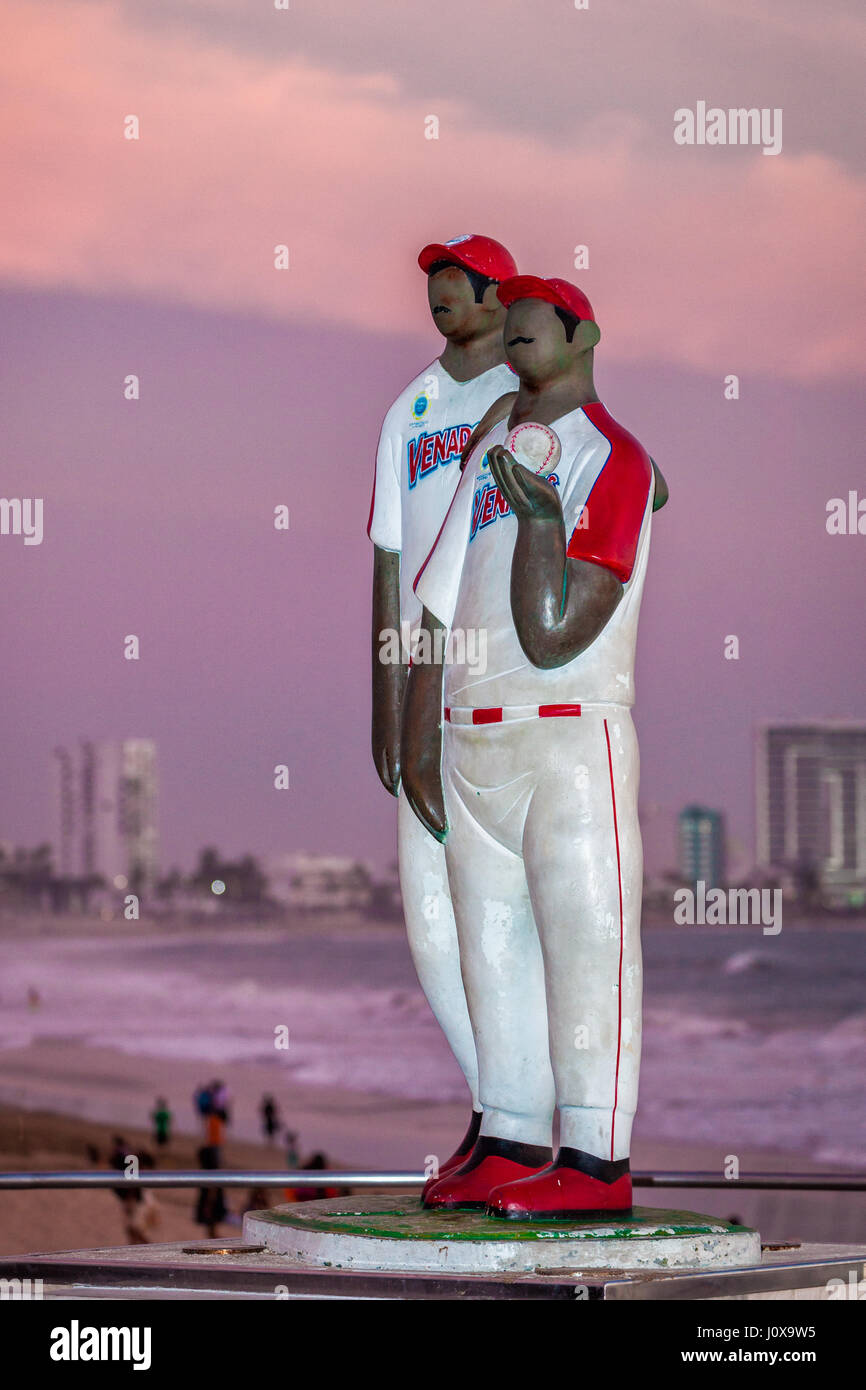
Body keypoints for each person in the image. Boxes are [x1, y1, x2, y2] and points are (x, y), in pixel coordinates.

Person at [404, 275, 663, 1218]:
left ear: (583, 333)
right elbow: (436, 600)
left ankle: (596, 1156)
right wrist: (416, 725)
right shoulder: (488, 452)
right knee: (494, 944)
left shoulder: (615, 456)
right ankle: (511, 1131)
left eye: (530, 326)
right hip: (475, 736)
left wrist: (544, 523)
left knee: (587, 940)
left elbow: (558, 632)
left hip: (567, 736)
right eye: (504, 327)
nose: (510, 338)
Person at [369, 233, 519, 1181]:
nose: (439, 296)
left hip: (499, 668)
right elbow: (388, 557)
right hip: (420, 657)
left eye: (455, 281)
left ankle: (525, 1114)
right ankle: (495, 1104)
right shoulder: (408, 408)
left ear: (497, 291)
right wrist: (384, 698)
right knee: (430, 918)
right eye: (431, 284)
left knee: (504, 904)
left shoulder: (528, 400)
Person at [194, 1143, 227, 1237]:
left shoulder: (209, 1172)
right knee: (211, 1230)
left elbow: (212, 1190)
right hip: (214, 1202)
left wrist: (208, 1205)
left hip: (212, 1203)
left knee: (212, 1230)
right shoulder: (214, 1171)